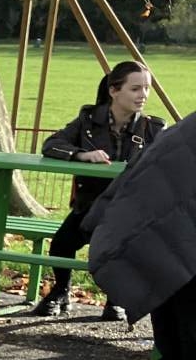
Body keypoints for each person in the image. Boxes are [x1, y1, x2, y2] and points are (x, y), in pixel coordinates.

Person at [33, 61, 163, 319]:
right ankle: (61, 291)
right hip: (90, 204)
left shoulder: (153, 128)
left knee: (122, 251)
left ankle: (115, 299)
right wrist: (81, 155)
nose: (143, 95)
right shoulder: (87, 120)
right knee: (61, 244)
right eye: (135, 89)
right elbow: (51, 145)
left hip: (129, 210)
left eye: (146, 88)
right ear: (114, 91)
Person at [86, 111, 196, 360]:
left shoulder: (183, 128)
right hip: (179, 222)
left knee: (168, 287)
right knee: (188, 295)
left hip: (150, 221)